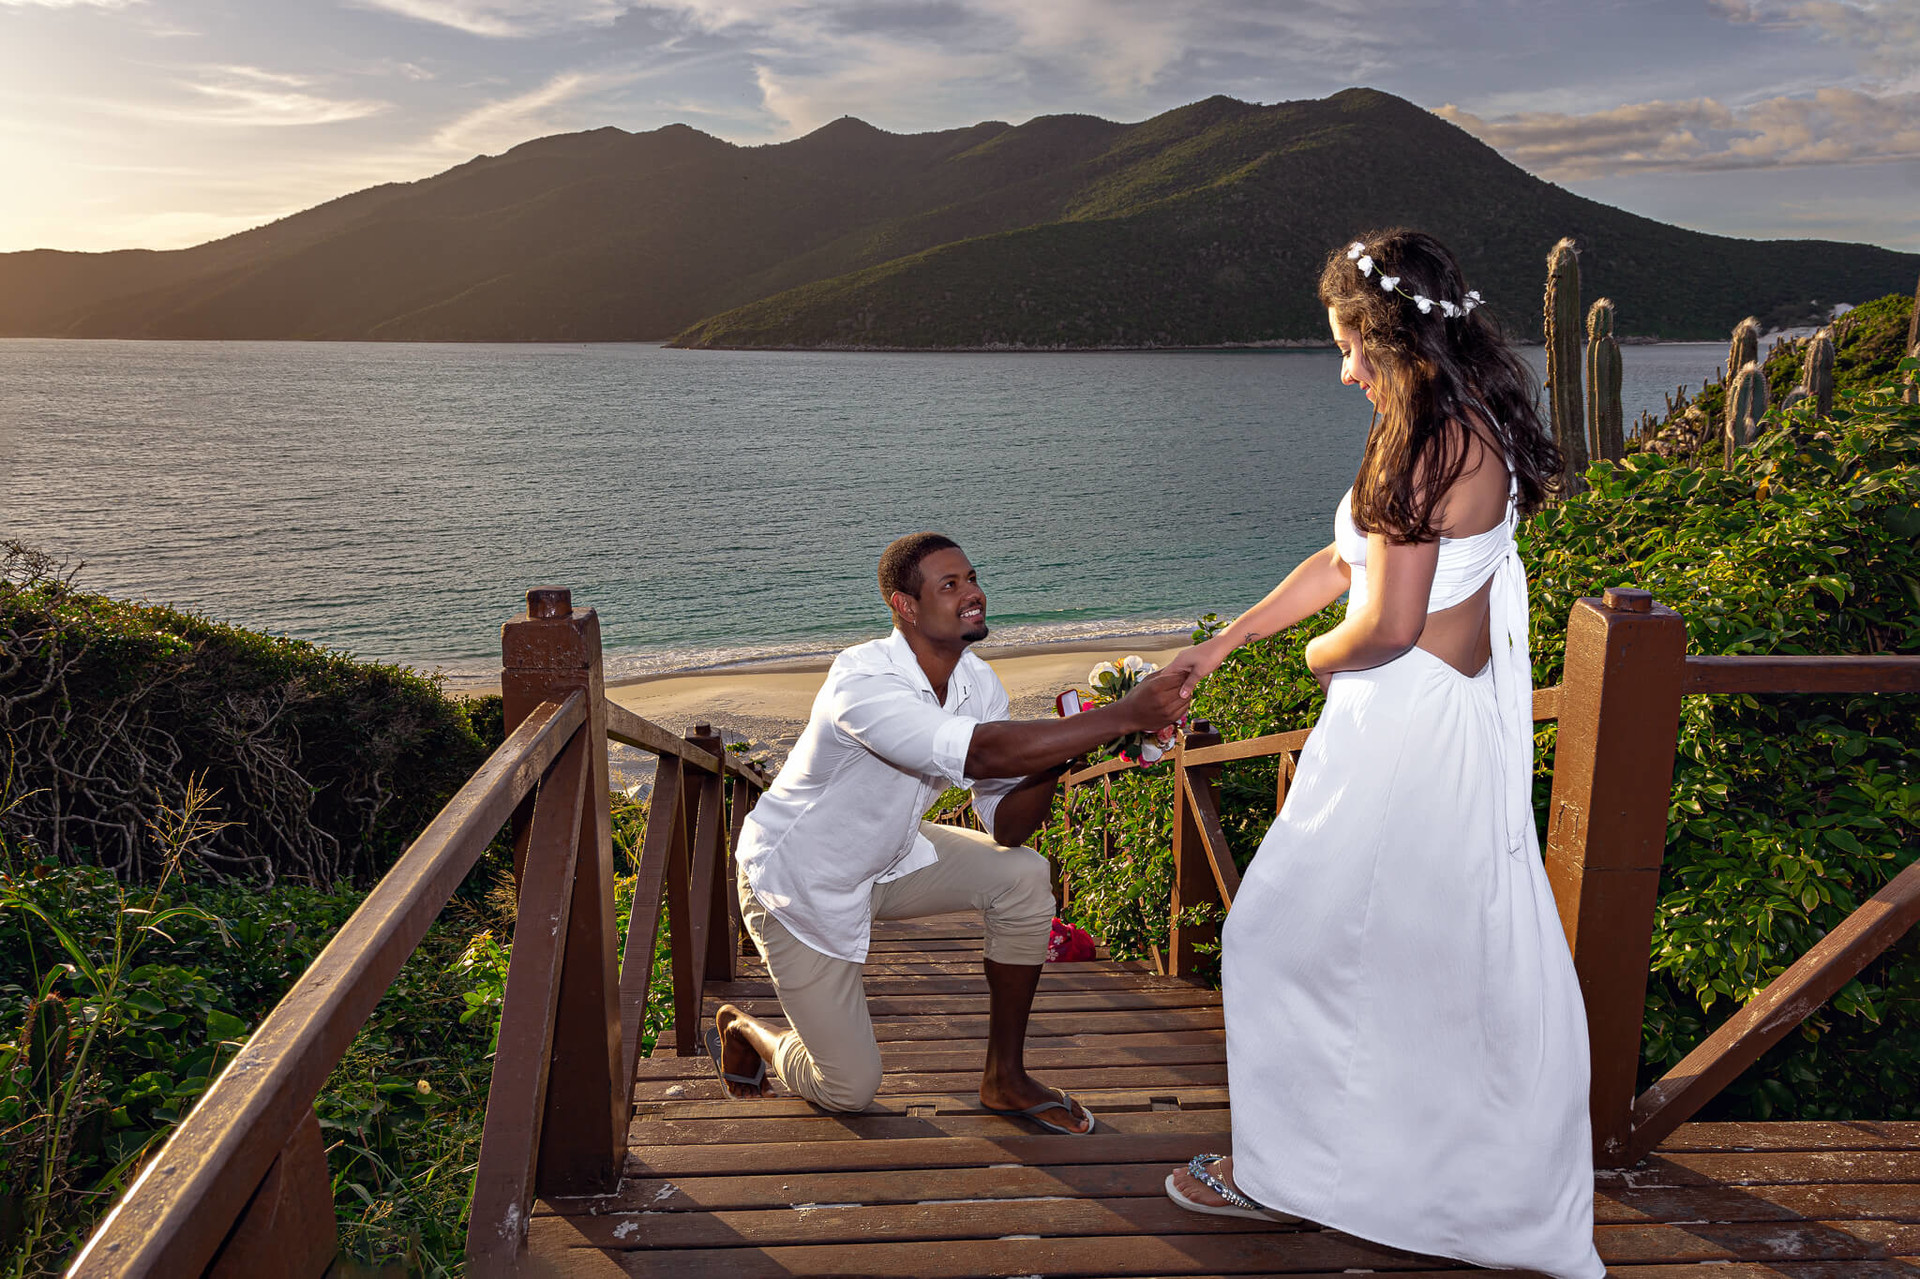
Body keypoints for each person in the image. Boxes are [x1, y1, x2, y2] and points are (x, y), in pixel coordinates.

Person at [1158, 230, 1606, 1278]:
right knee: (1414, 955)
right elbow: (1345, 555)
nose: (1345, 368)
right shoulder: (1460, 420)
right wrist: (1226, 642)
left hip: (1401, 732)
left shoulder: (1427, 442)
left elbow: (1386, 625)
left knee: (1275, 935)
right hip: (1421, 726)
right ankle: (1358, 1172)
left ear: (1389, 332)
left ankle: (1290, 1176)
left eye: (1351, 346)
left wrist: (1315, 659)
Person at [709, 531, 1191, 1133]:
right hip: (800, 882)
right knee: (848, 1089)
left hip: (892, 856)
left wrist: (1067, 749)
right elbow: (980, 753)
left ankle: (1005, 1079)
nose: (974, 595)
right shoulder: (861, 679)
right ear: (904, 606)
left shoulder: (977, 682)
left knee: (1022, 875)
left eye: (972, 579)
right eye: (950, 585)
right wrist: (1120, 716)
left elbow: (1008, 824)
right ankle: (750, 1033)